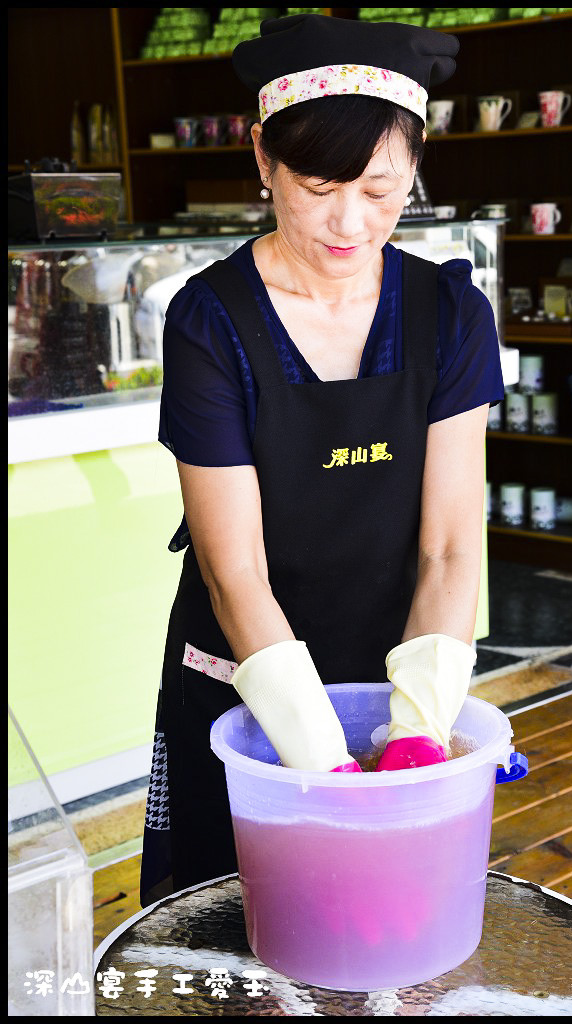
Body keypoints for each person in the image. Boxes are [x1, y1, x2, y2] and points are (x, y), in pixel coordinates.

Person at [139, 13, 505, 909]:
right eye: (316, 184)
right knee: (239, 939)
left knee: (387, 941)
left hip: (394, 668)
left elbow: (452, 548)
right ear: (262, 157)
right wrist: (318, 758)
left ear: (415, 168)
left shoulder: (449, 315)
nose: (349, 223)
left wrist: (415, 732)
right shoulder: (211, 322)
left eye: (381, 191)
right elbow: (235, 575)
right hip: (244, 684)